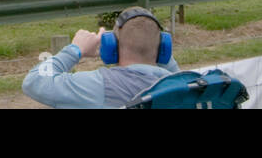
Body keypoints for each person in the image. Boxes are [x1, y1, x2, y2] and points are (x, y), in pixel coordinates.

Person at [22, 7, 180, 108]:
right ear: (163, 48)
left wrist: (75, 50)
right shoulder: (183, 86)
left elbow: (35, 81)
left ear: (111, 45)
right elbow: (175, 73)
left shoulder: (100, 86)